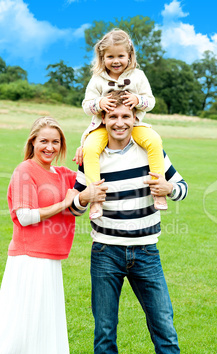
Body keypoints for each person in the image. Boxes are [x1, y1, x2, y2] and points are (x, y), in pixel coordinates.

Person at [0, 117, 107, 354]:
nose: (49, 147)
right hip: (28, 259)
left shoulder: (63, 174)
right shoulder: (25, 171)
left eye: (55, 142)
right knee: (22, 327)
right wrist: (64, 203)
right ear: (32, 142)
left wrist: (86, 151)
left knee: (42, 327)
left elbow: (85, 189)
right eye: (44, 141)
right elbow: (25, 216)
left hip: (50, 259)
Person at [74, 91, 188, 354]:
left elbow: (183, 187)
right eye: (114, 117)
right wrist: (84, 198)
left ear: (135, 119)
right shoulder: (92, 158)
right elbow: (74, 206)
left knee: (165, 332)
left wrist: (169, 188)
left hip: (146, 253)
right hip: (105, 253)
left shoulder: (151, 153)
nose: (120, 122)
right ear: (103, 120)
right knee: (104, 333)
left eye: (126, 116)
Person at [81, 28, 167, 219]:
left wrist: (138, 100)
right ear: (102, 58)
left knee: (154, 140)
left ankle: (159, 192)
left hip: (133, 126)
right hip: (102, 128)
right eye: (110, 57)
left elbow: (150, 101)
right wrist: (99, 103)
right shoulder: (97, 80)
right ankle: (96, 199)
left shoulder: (138, 76)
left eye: (121, 56)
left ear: (130, 56)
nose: (116, 61)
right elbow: (86, 106)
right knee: (90, 148)